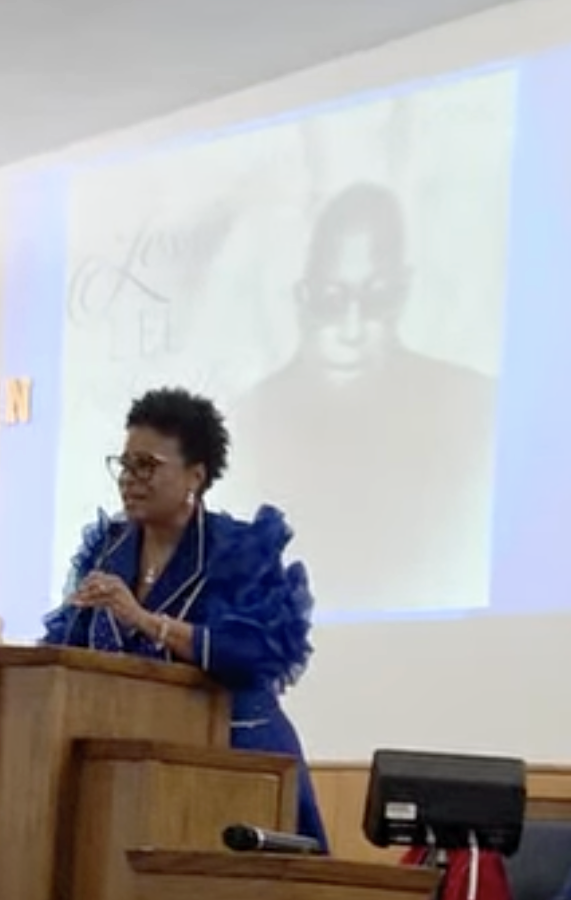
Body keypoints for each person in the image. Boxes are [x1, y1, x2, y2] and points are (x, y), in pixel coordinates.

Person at [41, 386, 328, 851]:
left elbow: (255, 653)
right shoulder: (108, 549)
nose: (130, 479)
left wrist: (144, 620)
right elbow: (68, 647)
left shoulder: (238, 550)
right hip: (127, 766)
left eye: (147, 465)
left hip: (236, 756)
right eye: (125, 464)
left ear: (195, 475)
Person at [232, 181, 497, 613]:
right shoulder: (247, 423)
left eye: (376, 298)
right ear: (304, 297)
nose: (352, 329)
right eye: (331, 299)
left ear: (402, 291)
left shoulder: (474, 408)